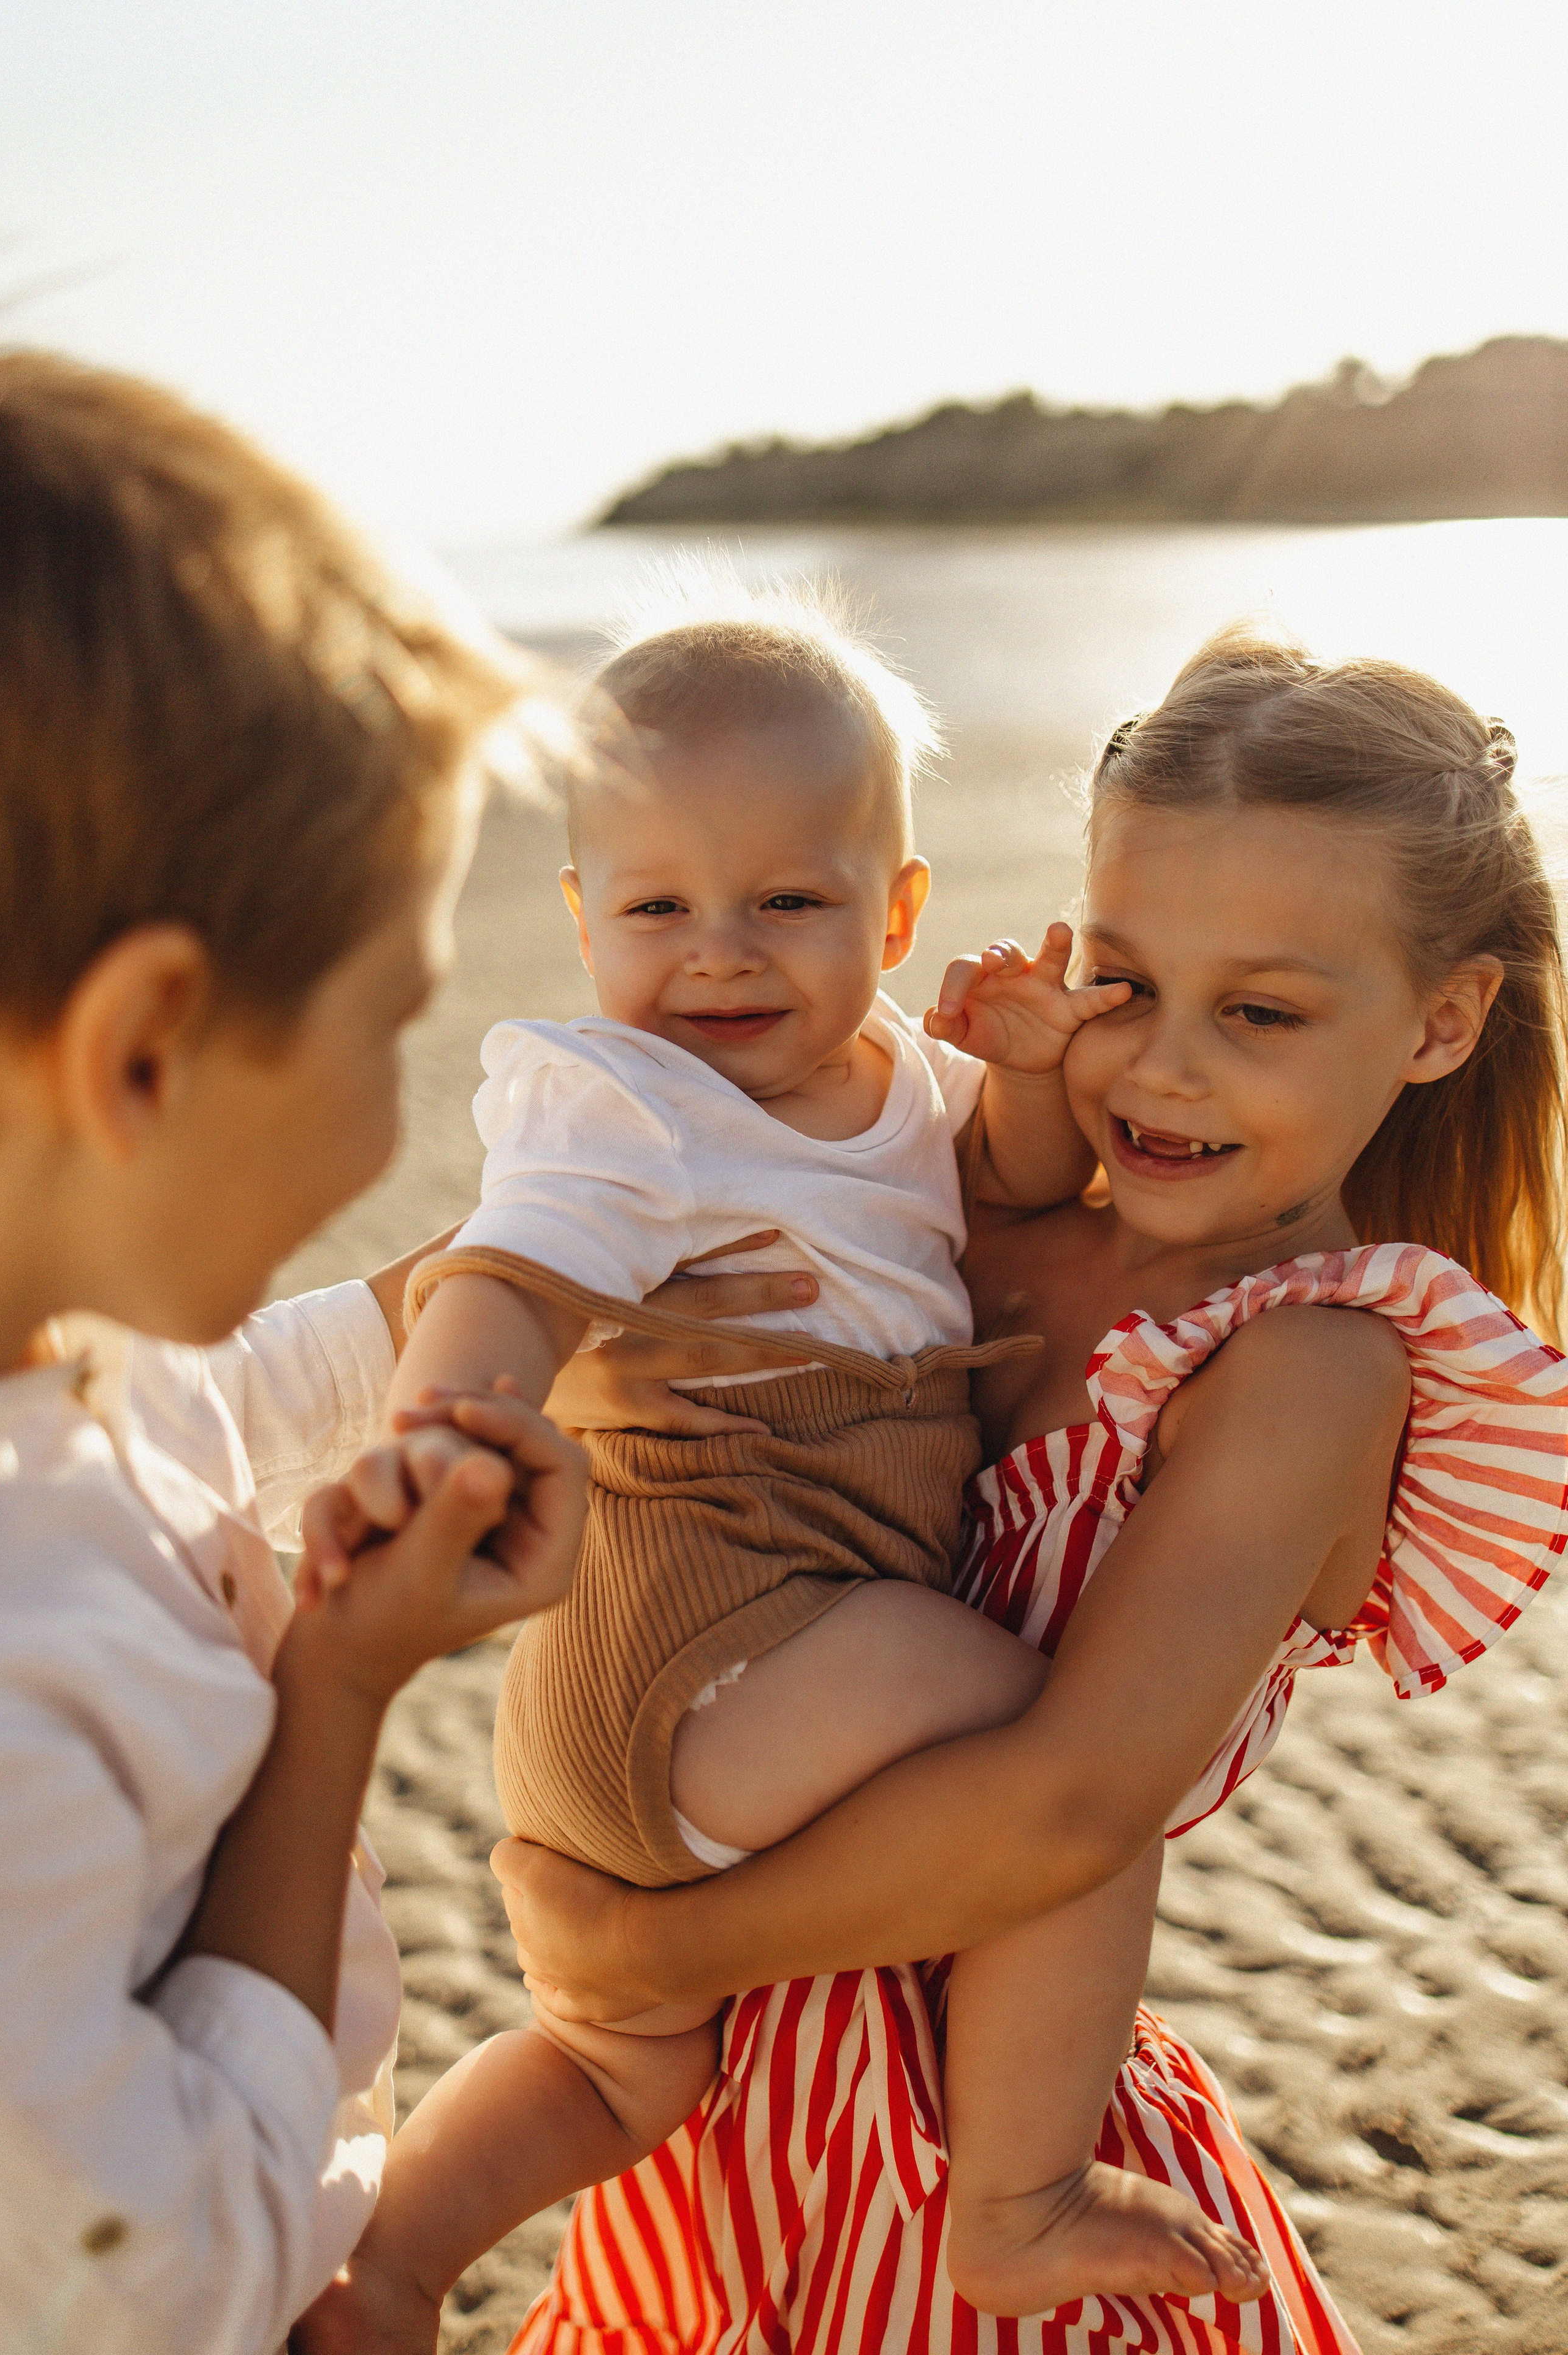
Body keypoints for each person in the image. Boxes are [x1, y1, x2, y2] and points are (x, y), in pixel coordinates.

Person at [489, 627, 1568, 2354]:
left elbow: (1071, 1811)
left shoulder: (1307, 1369)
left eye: (1264, 1013)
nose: (1163, 1070)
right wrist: (600, 1347)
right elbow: (540, 1295)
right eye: (1126, 985)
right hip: (713, 2134)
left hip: (979, 2145)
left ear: (1442, 1023)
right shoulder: (964, 1228)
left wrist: (643, 1951)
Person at [297, 584, 1279, 2351]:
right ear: (583, 916)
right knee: (1063, 1765)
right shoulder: (626, 1107)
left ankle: (398, 2257)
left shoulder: (900, 1078)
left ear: (896, 913)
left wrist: (1033, 1073)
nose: (721, 954)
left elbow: (1018, 1181)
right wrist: (456, 1418)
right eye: (659, 906)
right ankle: (1017, 2200)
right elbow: (507, 1273)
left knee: (617, 2073)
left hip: (675, 1689)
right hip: (716, 1632)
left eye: (790, 904)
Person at [0, 351, 587, 2355]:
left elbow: (192, 1413)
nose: (390, 1107)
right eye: (388, 1028)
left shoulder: (50, 1333)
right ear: (143, 1048)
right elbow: (150, 2273)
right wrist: (338, 1685)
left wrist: (424, 1314)